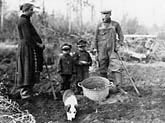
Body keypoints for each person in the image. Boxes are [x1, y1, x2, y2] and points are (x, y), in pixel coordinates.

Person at [16, 3, 45, 99]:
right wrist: (37, 45)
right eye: (31, 10)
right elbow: (27, 36)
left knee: (31, 68)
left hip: (28, 47)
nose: (32, 12)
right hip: (26, 48)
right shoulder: (23, 21)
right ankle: (24, 93)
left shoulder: (26, 20)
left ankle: (29, 91)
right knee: (26, 68)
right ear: (26, 10)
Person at [91, 10, 124, 86]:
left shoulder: (115, 24)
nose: (105, 16)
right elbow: (95, 38)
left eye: (107, 14)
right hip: (101, 50)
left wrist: (119, 44)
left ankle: (118, 85)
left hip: (112, 50)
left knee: (116, 67)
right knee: (102, 68)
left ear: (110, 14)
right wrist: (94, 48)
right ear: (101, 15)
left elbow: (121, 35)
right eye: (103, 14)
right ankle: (105, 85)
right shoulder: (99, 25)